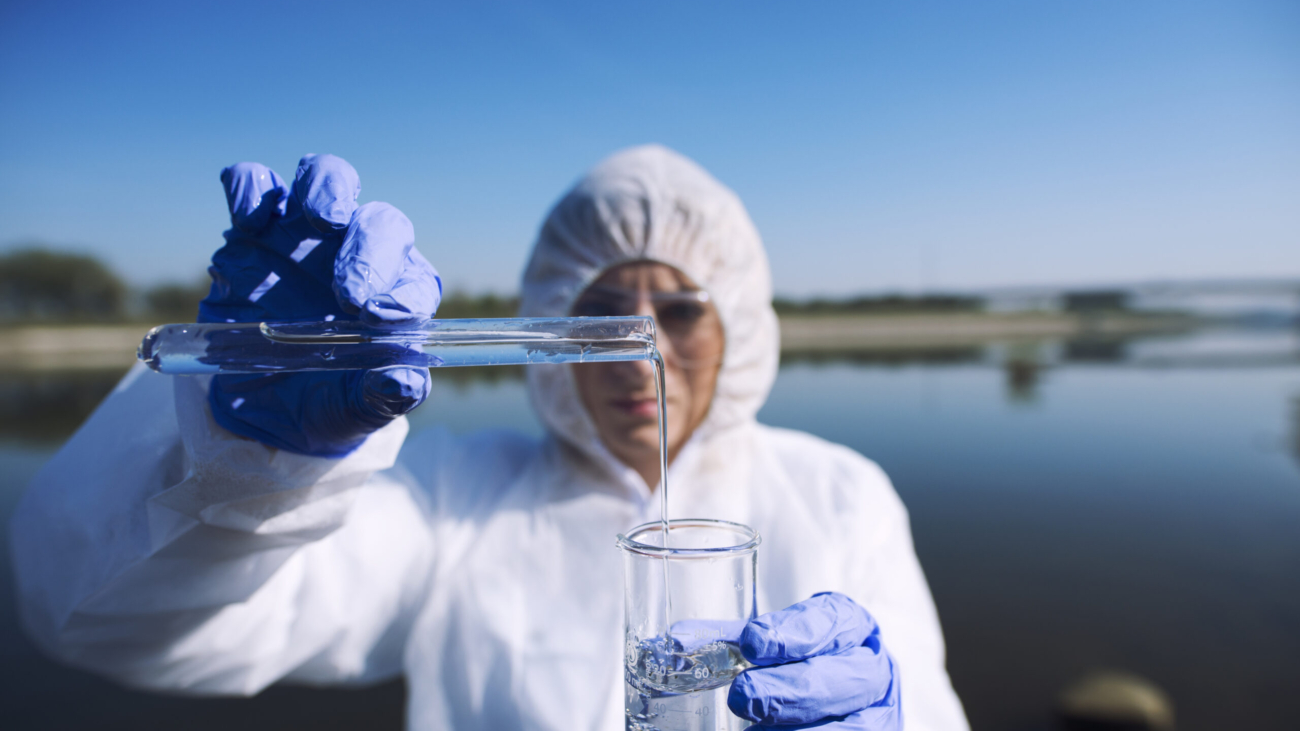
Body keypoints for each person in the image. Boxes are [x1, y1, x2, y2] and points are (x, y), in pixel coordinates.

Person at [10, 146, 968, 730]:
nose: (639, 356)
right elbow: (109, 625)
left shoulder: (839, 495)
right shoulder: (458, 497)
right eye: (600, 314)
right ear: (553, 327)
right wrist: (241, 461)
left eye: (680, 313)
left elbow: (923, 711)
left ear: (739, 327)